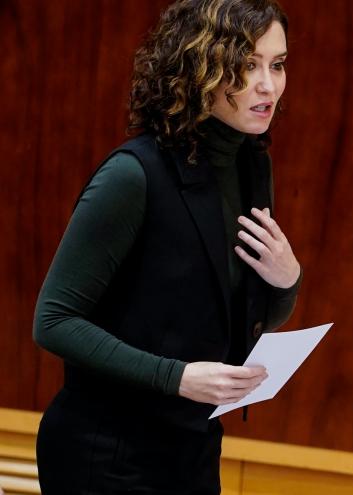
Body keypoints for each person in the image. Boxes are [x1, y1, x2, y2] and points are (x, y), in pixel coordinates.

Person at [32, 1, 300, 493]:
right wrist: (175, 377)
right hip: (106, 452)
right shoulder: (133, 175)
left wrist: (286, 282)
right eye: (247, 65)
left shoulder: (250, 166)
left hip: (193, 447)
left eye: (277, 64)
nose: (269, 85)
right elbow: (53, 322)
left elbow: (240, 317)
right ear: (200, 67)